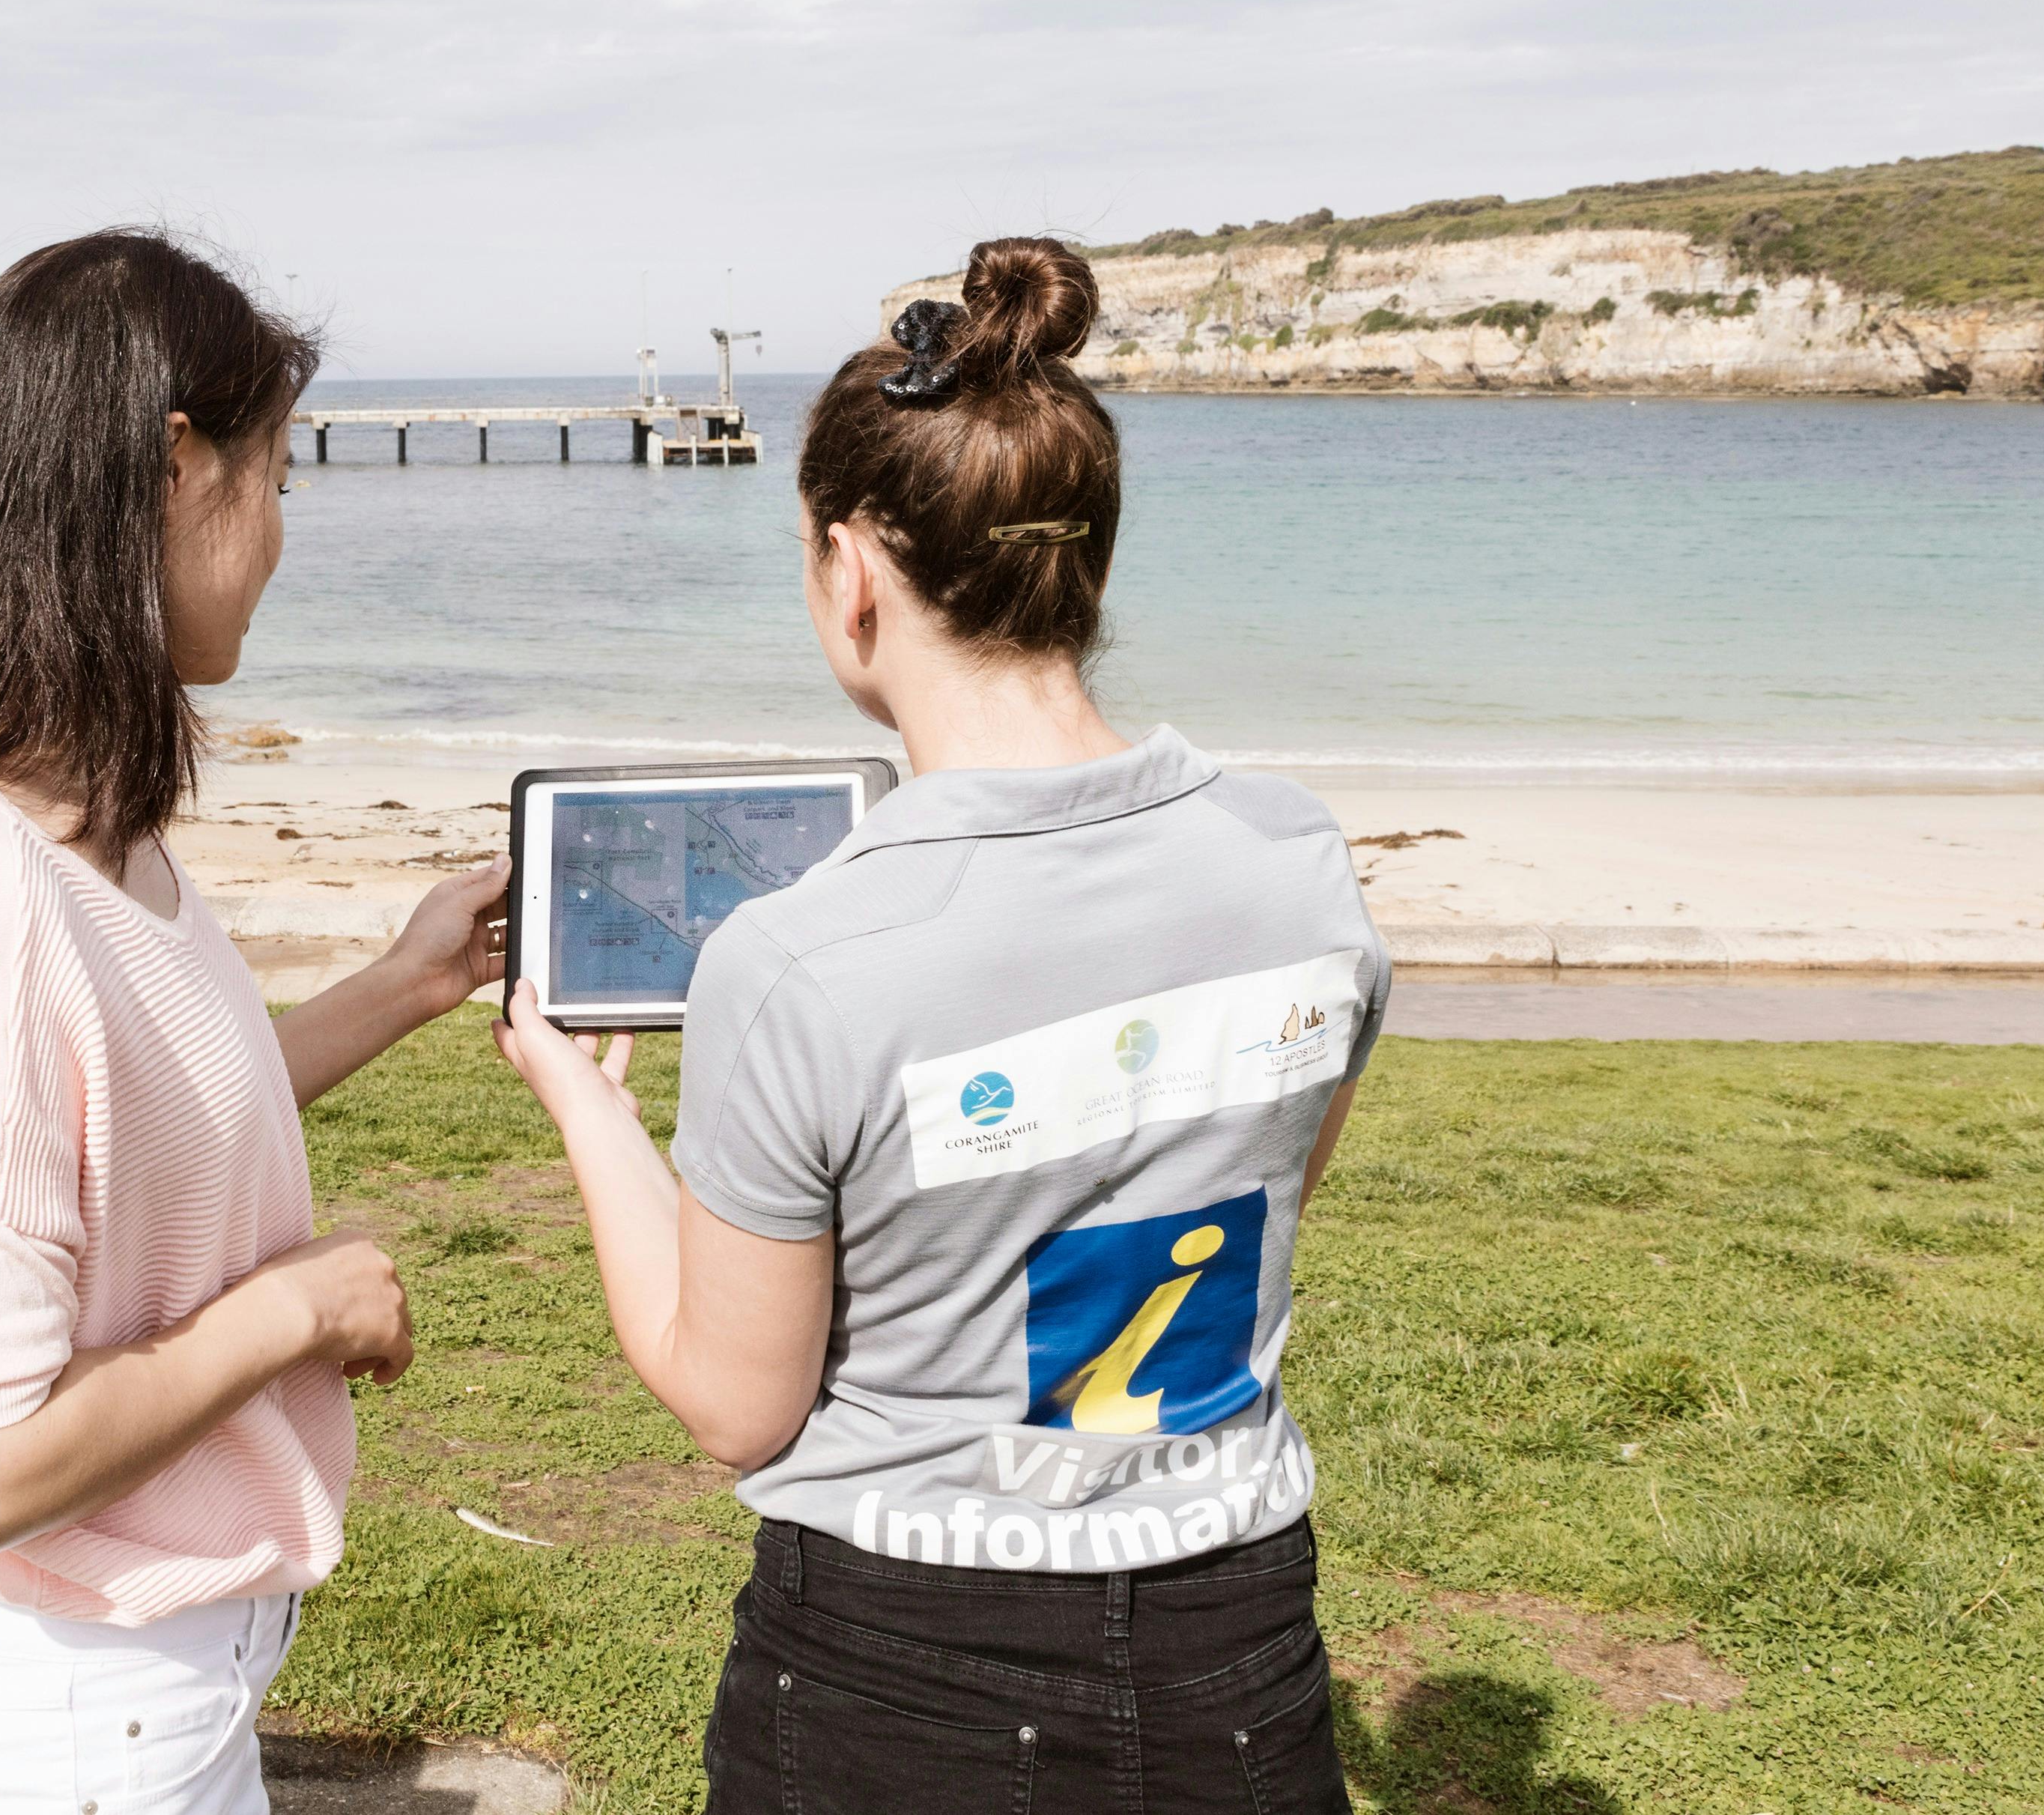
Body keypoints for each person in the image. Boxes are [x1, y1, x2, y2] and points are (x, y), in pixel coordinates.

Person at [496, 234, 1384, 1814]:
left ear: (851, 571)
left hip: (903, 1674)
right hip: (1240, 1652)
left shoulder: (798, 956)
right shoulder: (1300, 864)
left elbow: (733, 1398)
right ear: (1086, 564)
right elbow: (1253, 1175)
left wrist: (588, 1113)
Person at [0, 230, 511, 1815]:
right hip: (34, 1740)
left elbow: (145, 1122)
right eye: (277, 477)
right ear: (178, 470)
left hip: (118, 1717)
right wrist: (295, 1312)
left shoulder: (77, 829)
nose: (277, 536)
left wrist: (408, 981)